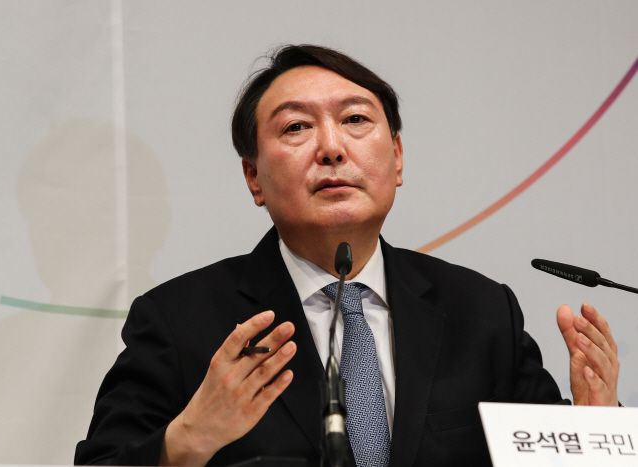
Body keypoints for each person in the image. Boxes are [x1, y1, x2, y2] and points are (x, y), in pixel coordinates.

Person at [74, 45, 620, 466]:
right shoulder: (180, 322)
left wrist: (599, 430)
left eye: (356, 120)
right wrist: (191, 437)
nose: (332, 148)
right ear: (253, 176)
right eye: (296, 127)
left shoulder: (480, 313)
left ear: (397, 157)